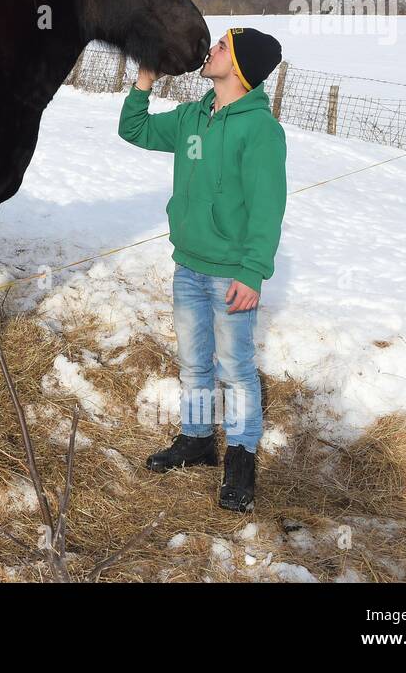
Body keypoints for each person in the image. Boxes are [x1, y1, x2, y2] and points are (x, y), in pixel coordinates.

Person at [117, 27, 287, 512]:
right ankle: (196, 440)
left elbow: (266, 207)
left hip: (231, 272)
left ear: (240, 67)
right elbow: (135, 130)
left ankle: (241, 457)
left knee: (235, 370)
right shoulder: (194, 117)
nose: (209, 50)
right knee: (194, 364)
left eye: (220, 47)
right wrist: (144, 80)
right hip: (188, 265)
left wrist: (253, 272)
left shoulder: (260, 130)